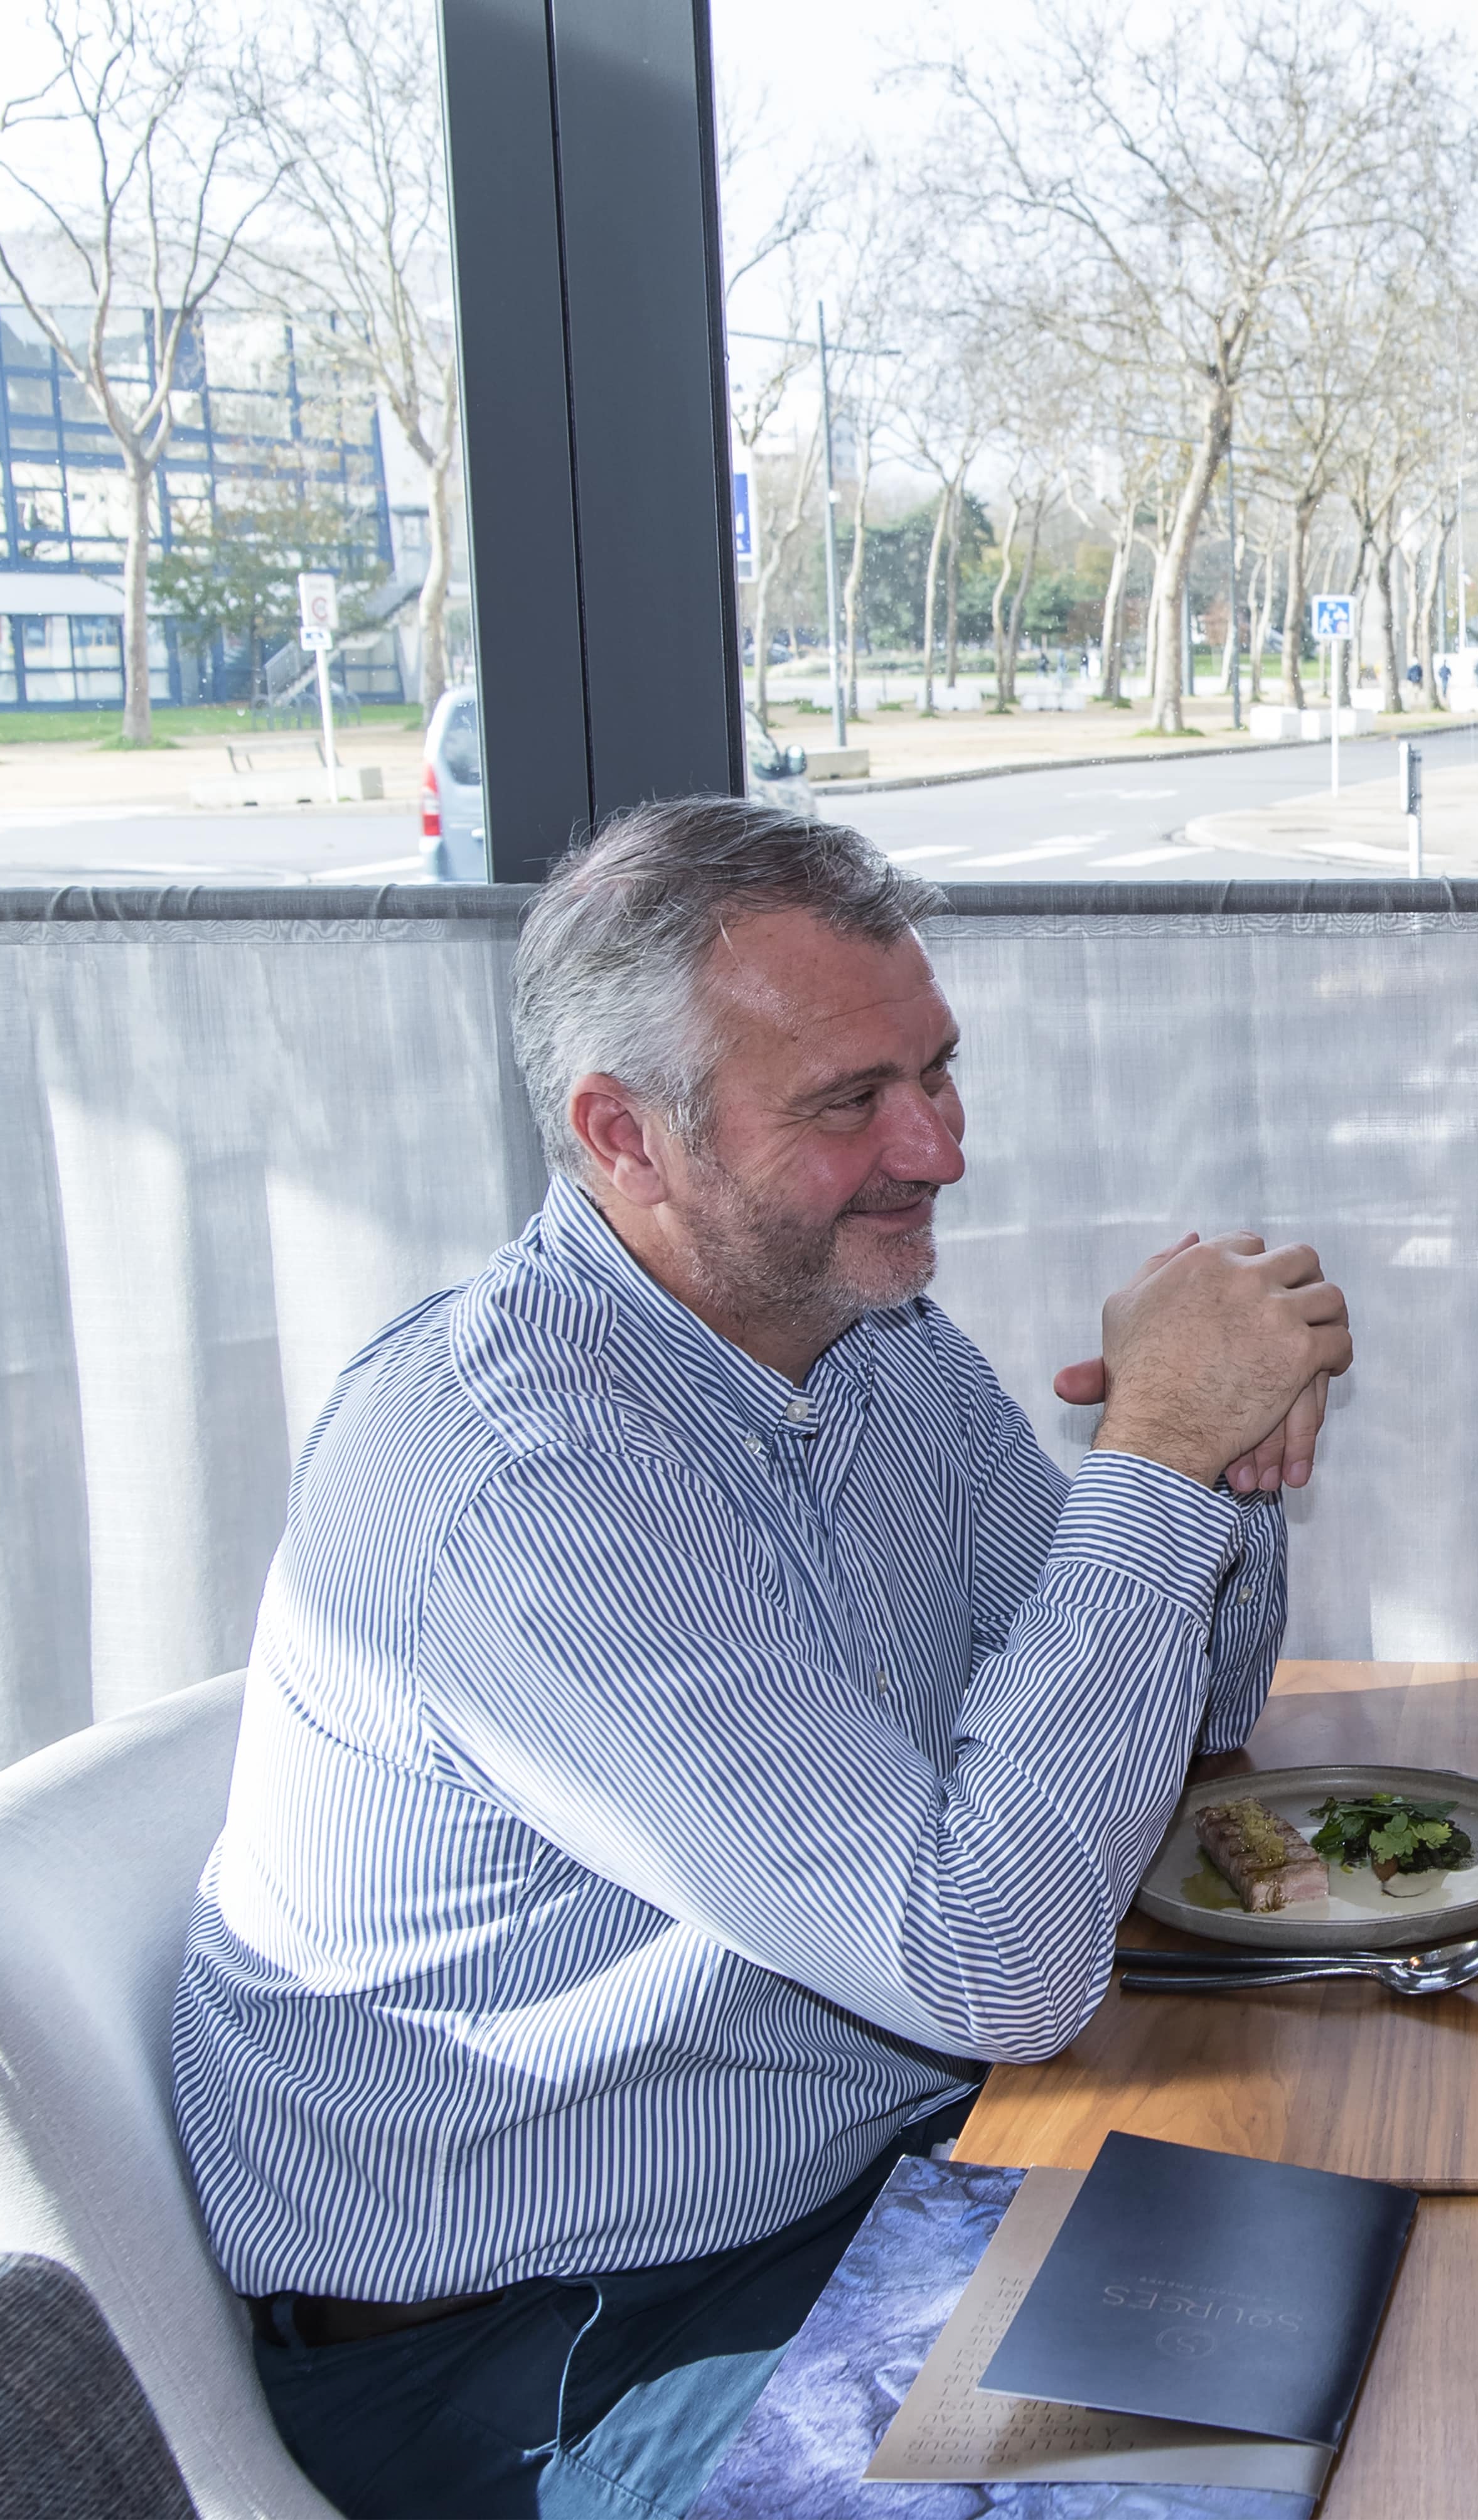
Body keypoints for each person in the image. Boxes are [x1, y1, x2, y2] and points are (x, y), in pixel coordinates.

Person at [171, 796, 1352, 2519]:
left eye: (936, 1070)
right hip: (555, 2341)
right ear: (622, 1134)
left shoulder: (876, 1348)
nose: (938, 1148)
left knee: (1388, 2293)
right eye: (847, 1104)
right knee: (1245, 2466)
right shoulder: (527, 1489)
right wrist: (1157, 1451)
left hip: (883, 2172)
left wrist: (1224, 1469)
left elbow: (1174, 1737)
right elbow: (997, 1964)